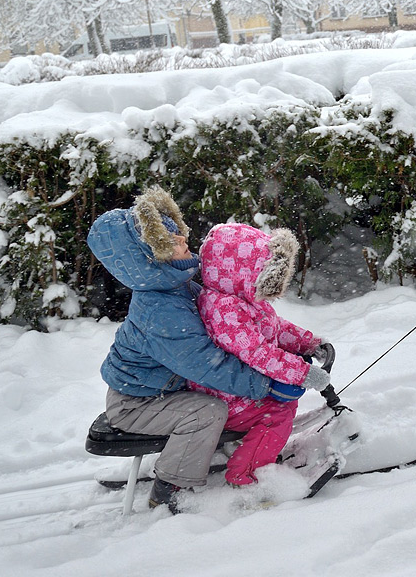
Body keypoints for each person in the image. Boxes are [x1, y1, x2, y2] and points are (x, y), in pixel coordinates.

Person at [88, 187, 306, 513]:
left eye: (178, 234)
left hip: (159, 391)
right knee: (208, 412)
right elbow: (209, 365)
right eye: (170, 241)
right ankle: (171, 487)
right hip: (135, 404)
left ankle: (207, 451)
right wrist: (266, 385)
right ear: (150, 259)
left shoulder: (177, 284)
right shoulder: (162, 311)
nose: (182, 241)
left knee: (219, 401)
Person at [187, 223, 331, 487]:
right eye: (263, 274)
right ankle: (248, 476)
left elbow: (274, 328)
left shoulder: (242, 297)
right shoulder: (225, 310)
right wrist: (302, 372)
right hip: (226, 396)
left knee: (284, 403)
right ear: (238, 271)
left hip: (237, 388)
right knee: (275, 415)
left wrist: (308, 343)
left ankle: (258, 448)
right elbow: (259, 353)